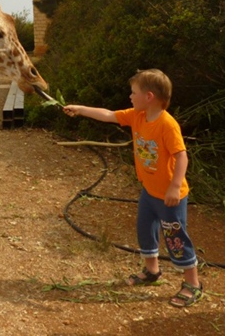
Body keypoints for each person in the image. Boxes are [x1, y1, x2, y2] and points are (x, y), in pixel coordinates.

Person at [63, 69, 203, 308]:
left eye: (133, 92)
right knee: (145, 230)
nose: (130, 96)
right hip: (149, 191)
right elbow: (108, 115)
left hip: (170, 197)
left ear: (149, 96)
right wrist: (80, 109)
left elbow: (182, 156)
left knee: (175, 238)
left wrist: (174, 186)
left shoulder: (167, 124)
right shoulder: (137, 115)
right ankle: (152, 271)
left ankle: (193, 283)